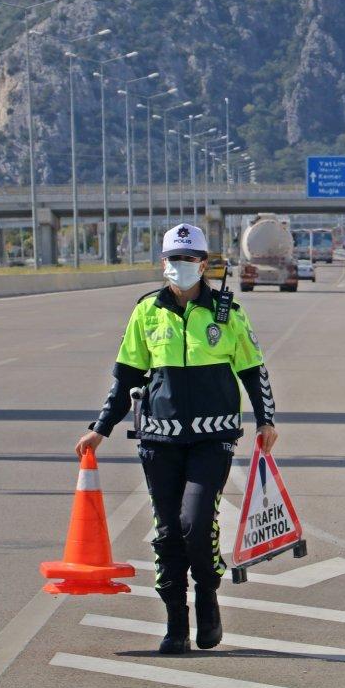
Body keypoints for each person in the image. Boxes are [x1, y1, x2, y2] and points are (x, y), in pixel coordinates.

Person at [75, 223, 278, 654]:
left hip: (213, 437)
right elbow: (126, 376)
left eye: (189, 259)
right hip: (159, 441)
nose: (180, 267)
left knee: (197, 521)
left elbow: (252, 369)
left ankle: (208, 600)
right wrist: (100, 428)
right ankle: (175, 625)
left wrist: (266, 420)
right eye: (173, 259)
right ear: (163, 263)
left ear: (204, 264)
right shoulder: (147, 311)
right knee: (167, 532)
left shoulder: (227, 311)